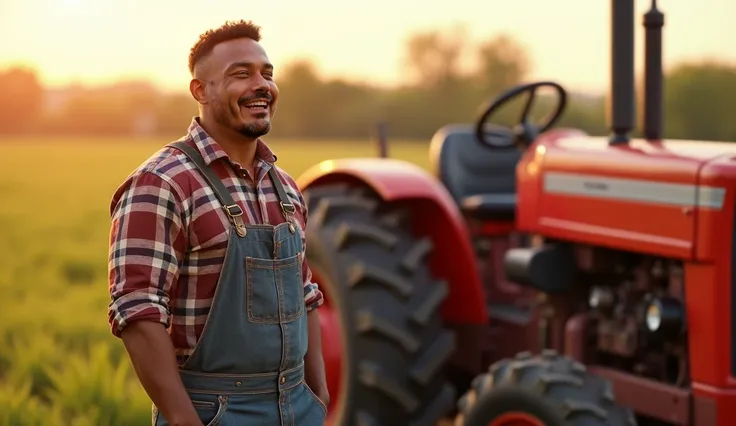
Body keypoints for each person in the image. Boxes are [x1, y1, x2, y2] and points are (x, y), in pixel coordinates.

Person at [107, 20, 328, 426]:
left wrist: (319, 396)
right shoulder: (162, 182)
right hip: (215, 412)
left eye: (267, 73)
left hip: (298, 406)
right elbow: (137, 310)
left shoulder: (286, 188)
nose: (261, 85)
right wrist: (183, 419)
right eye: (241, 74)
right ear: (201, 90)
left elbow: (305, 292)